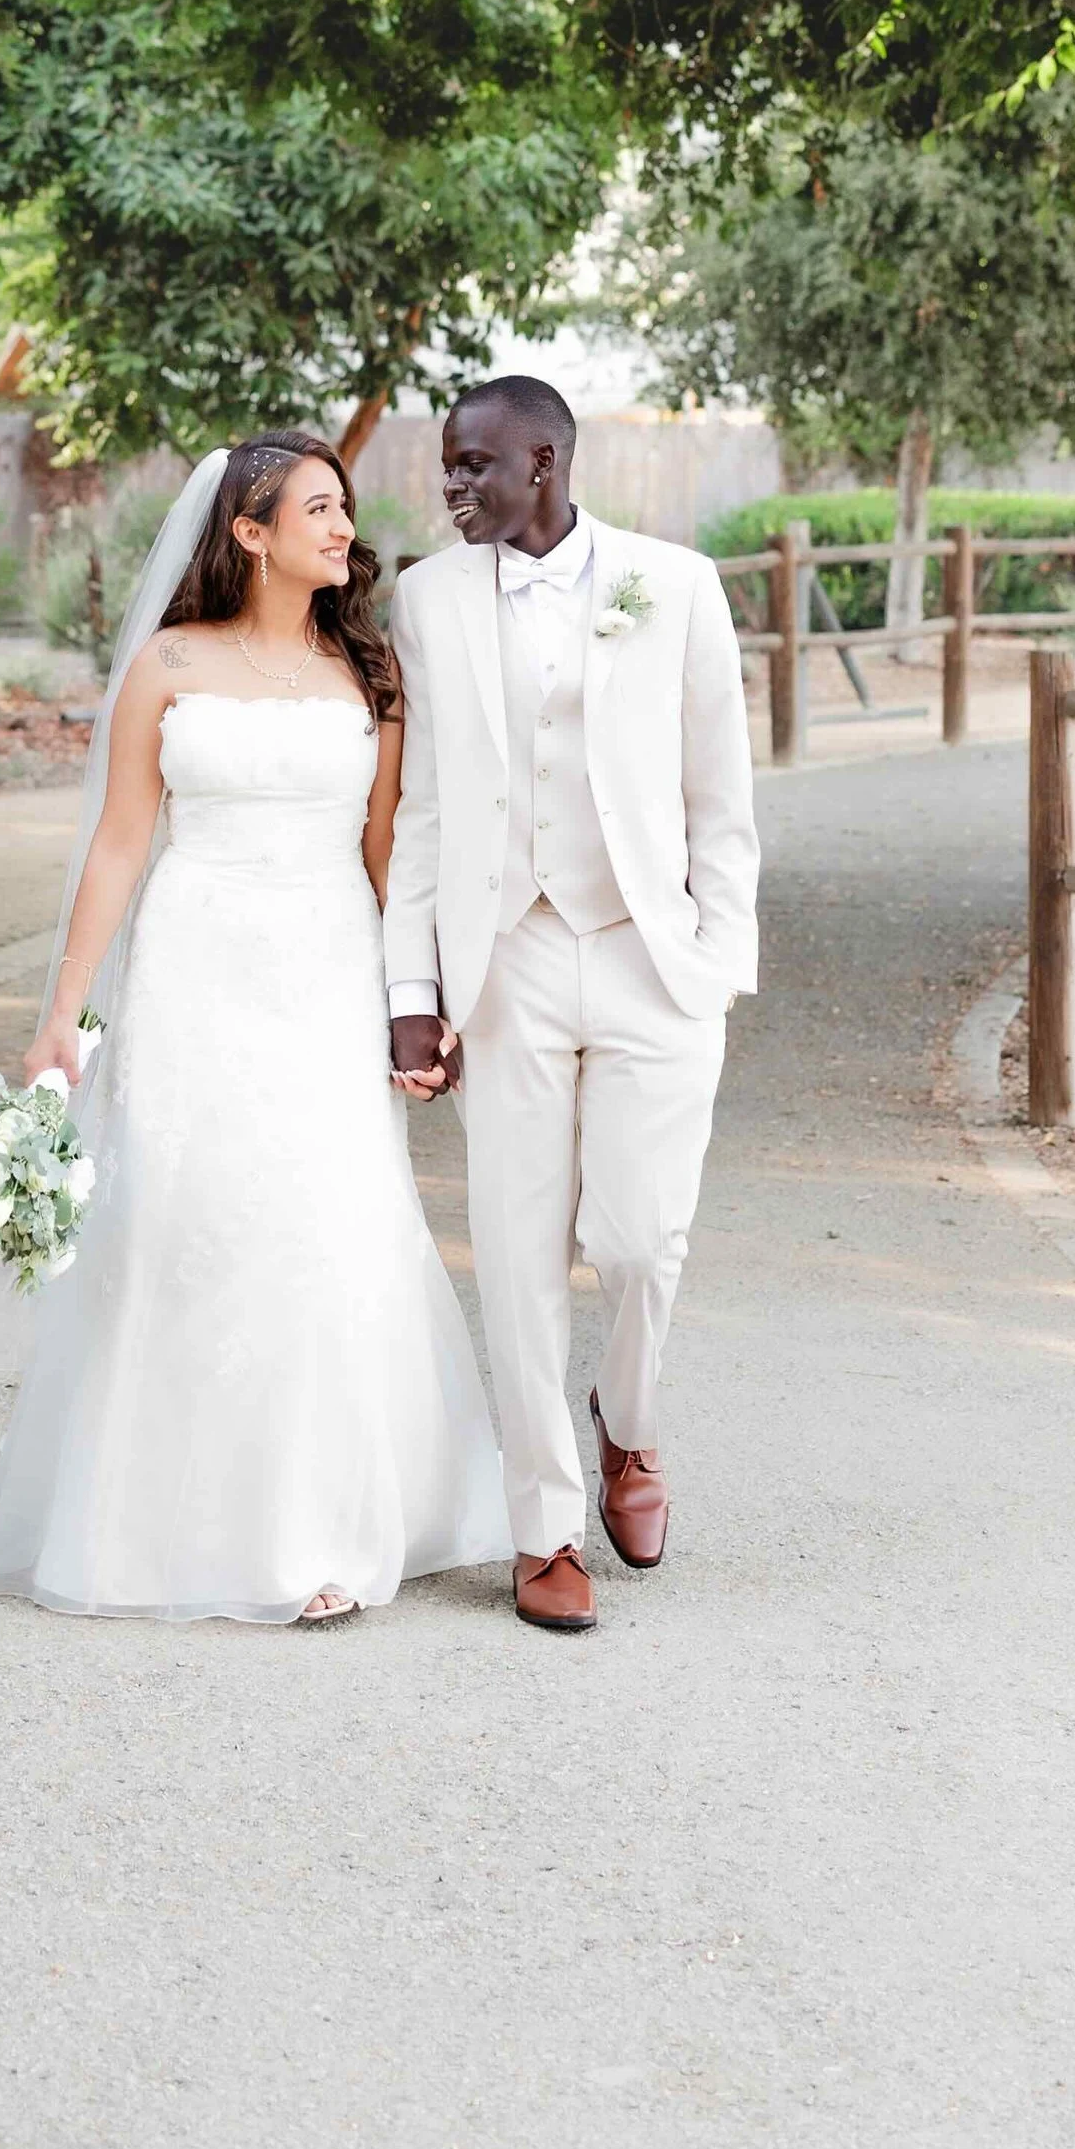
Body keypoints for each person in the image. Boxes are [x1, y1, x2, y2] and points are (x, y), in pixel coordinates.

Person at [0, 433, 508, 1627]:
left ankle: (318, 1526)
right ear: (249, 532)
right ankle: (156, 1520)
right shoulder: (170, 662)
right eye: (315, 508)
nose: (343, 526)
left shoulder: (370, 670)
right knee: (189, 1219)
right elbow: (120, 844)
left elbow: (386, 852)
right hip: (194, 967)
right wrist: (62, 1012)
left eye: (343, 507)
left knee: (325, 1223)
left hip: (326, 970)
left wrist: (419, 1005)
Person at [384, 376, 760, 1633]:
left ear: (543, 462)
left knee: (643, 1243)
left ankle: (628, 1427)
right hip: (510, 958)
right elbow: (425, 808)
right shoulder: (429, 598)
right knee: (517, 1249)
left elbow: (721, 795)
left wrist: (717, 955)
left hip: (652, 957)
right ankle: (543, 1526)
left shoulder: (677, 585)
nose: (451, 486)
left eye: (473, 465)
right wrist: (412, 989)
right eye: (446, 465)